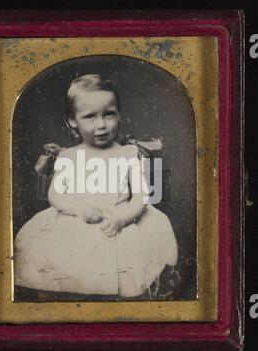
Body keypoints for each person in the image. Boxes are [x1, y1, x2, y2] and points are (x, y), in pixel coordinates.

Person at [14, 74, 177, 299]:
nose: (101, 125)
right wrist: (78, 209)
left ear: (119, 114)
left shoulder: (128, 154)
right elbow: (56, 194)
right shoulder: (69, 156)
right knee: (64, 265)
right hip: (77, 220)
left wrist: (123, 217)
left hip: (117, 221)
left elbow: (140, 196)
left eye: (109, 114)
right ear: (73, 120)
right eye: (90, 117)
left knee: (124, 268)